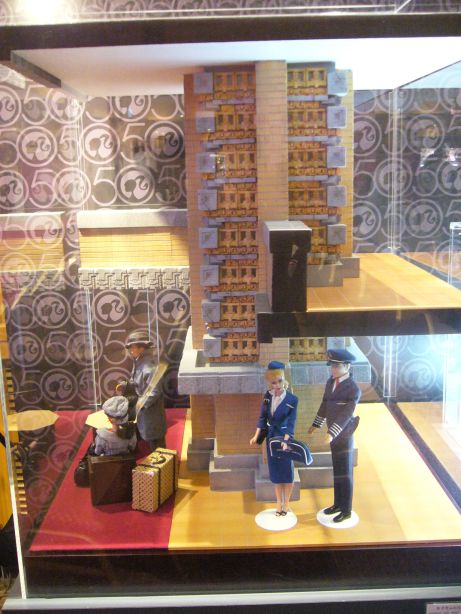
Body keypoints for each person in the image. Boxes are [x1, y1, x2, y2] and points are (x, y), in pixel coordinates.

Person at [308, 348, 361, 523]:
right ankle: (338, 504)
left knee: (345, 473)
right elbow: (325, 404)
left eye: (337, 366)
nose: (333, 369)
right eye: (332, 366)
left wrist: (331, 433)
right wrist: (316, 424)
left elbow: (346, 414)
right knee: (337, 471)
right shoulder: (331, 382)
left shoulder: (353, 389)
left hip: (343, 434)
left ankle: (346, 510)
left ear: (347, 366)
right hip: (332, 434)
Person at [250, 361, 298, 517]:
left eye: (279, 381)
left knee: (287, 473)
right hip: (271, 439)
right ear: (269, 382)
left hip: (284, 439)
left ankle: (286, 504)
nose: (277, 385)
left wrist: (286, 441)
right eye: (273, 382)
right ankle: (278, 503)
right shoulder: (267, 397)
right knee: (276, 474)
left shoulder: (292, 399)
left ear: (284, 379)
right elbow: (262, 418)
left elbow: (291, 423)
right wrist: (256, 435)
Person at [118, 331, 167, 452]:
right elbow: (135, 380)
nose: (131, 350)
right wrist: (125, 386)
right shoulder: (140, 362)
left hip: (151, 411)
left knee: (156, 442)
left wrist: (141, 404)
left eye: (133, 347)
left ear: (142, 348)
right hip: (145, 410)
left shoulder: (149, 366)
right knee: (150, 437)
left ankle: (162, 462)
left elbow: (155, 392)